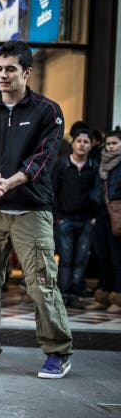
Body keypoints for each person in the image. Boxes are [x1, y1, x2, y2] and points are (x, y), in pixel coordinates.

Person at [0, 40, 73, 378]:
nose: (3, 76)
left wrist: (10, 182)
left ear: (27, 72)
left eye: (11, 69)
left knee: (40, 283)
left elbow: (43, 158)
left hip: (32, 209)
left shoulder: (47, 111)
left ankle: (58, 351)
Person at [50, 130, 99, 309]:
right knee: (66, 258)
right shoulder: (61, 165)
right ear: (73, 144)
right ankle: (63, 294)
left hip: (87, 220)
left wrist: (93, 217)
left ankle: (76, 294)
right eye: (78, 141)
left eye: (86, 142)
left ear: (91, 145)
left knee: (81, 259)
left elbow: (98, 191)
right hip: (65, 220)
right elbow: (53, 192)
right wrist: (58, 218)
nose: (82, 144)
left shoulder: (94, 166)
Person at [88, 130, 121, 313]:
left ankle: (118, 296)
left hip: (117, 216)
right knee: (103, 256)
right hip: (100, 214)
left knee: (117, 258)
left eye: (114, 143)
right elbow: (96, 187)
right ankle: (104, 296)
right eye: (108, 144)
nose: (110, 147)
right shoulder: (101, 163)